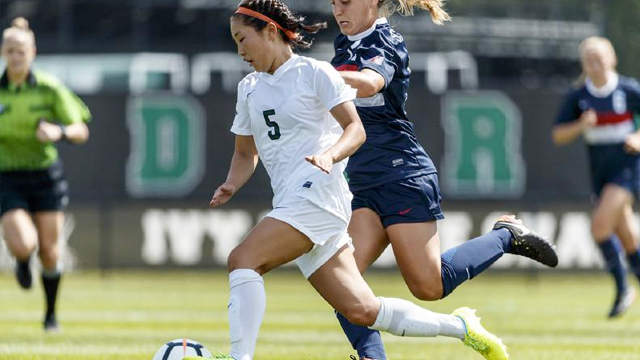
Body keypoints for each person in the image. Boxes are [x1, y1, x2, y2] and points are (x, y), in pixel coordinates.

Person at [191, 1, 510, 360]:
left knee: (242, 259)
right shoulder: (249, 87)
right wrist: (233, 183)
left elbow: (355, 129)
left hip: (321, 196)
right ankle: (461, 327)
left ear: (270, 31)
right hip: (295, 199)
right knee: (363, 310)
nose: (239, 50)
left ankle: (239, 358)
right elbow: (245, 153)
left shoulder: (317, 71)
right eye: (235, 41)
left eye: (242, 39)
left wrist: (330, 154)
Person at [327, 1, 559, 359]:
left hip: (401, 175)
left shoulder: (386, 40)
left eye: (345, 1)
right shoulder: (344, 45)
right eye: (332, 2)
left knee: (429, 286)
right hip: (362, 181)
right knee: (341, 282)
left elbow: (370, 84)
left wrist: (315, 74)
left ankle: (505, 236)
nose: (337, 9)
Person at [0, 17, 91, 332]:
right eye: (10, 50)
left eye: (21, 51)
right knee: (25, 244)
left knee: (51, 252)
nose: (15, 56)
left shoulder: (50, 87)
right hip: (7, 177)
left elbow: (81, 130)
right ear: (2, 53)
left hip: (44, 176)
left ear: (33, 52)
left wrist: (59, 130)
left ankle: (50, 315)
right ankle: (23, 260)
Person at [552, 36, 640, 318]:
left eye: (599, 56)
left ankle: (624, 289)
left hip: (628, 169)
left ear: (612, 58)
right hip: (600, 174)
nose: (595, 62)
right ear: (584, 65)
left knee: (600, 229)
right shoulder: (579, 97)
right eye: (589, 58)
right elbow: (558, 134)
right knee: (629, 240)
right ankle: (627, 286)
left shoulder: (627, 89)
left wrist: (638, 137)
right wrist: (581, 125)